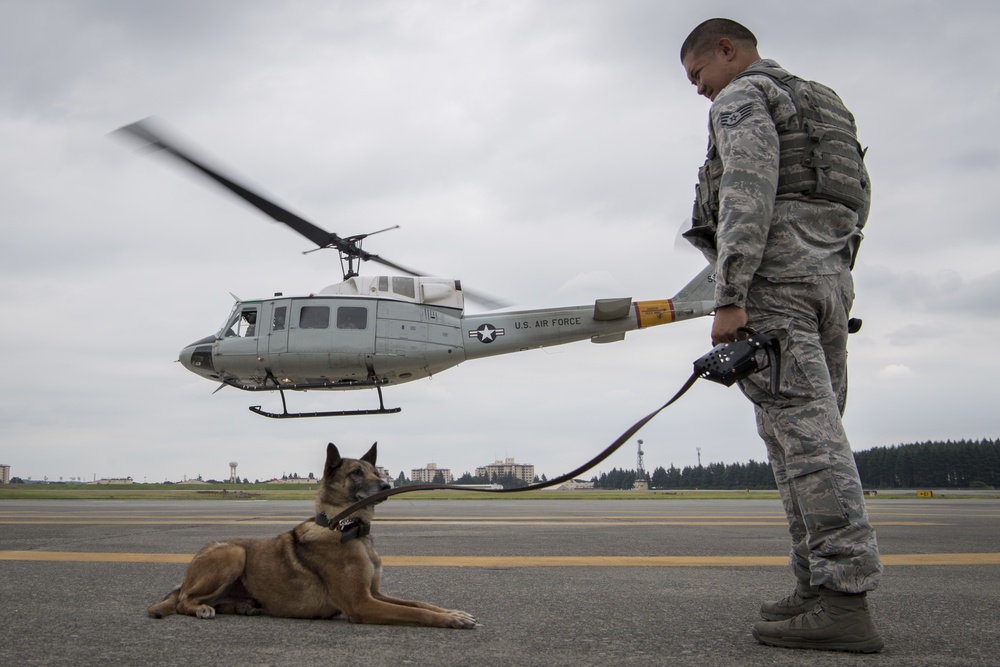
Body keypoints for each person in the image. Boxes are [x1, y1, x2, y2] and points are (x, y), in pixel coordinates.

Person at [678, 19, 883, 653]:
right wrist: (833, 269)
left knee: (808, 444)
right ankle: (815, 588)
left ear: (727, 51)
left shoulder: (744, 97)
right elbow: (858, 198)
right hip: (829, 280)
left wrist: (731, 295)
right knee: (802, 436)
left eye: (698, 75)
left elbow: (746, 193)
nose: (700, 91)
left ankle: (844, 600)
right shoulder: (825, 102)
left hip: (777, 284)